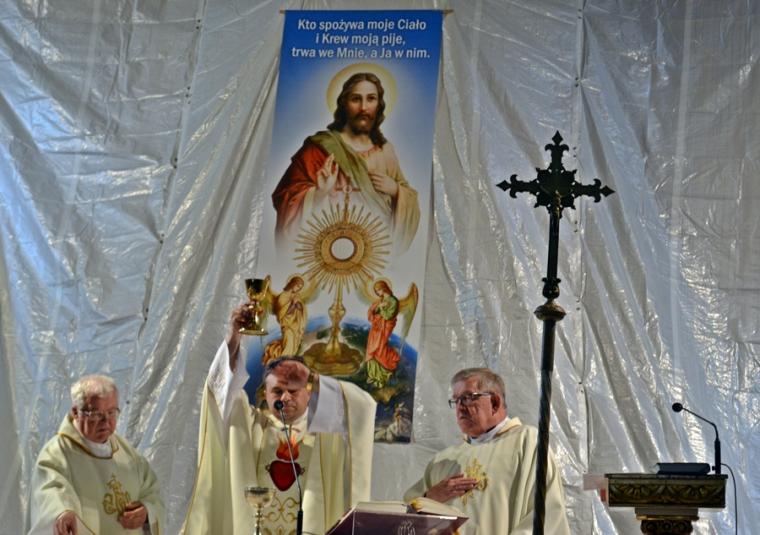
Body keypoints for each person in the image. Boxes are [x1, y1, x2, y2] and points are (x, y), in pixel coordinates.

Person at [182, 303, 377, 535]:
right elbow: (220, 392)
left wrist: (314, 377)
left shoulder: (327, 432)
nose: (285, 398)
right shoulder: (253, 426)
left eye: (293, 390)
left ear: (309, 392)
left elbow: (362, 408)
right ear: (265, 393)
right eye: (277, 391)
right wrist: (233, 338)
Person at [404, 368, 570, 534]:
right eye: (456, 400)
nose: (460, 407)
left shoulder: (528, 442)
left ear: (495, 402)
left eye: (468, 398)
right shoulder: (442, 461)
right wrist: (429, 498)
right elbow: (403, 520)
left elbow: (548, 515)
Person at [272, 72, 420, 253]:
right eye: (356, 99)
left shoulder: (386, 150)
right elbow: (285, 197)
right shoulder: (319, 149)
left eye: (371, 99)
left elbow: (409, 198)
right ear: (344, 104)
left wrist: (396, 191)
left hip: (374, 252)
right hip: (327, 251)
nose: (364, 107)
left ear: (379, 105)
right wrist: (318, 194)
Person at [28, 375, 164, 535]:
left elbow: (152, 491)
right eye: (96, 414)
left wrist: (146, 511)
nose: (106, 422)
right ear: (76, 412)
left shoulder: (126, 451)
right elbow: (50, 491)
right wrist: (62, 512)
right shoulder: (57, 452)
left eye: (111, 412)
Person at [365, 280, 400, 388]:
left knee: (379, 348)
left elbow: (388, 316)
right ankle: (373, 374)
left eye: (378, 290)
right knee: (371, 348)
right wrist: (376, 308)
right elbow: (374, 313)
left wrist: (381, 308)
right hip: (376, 328)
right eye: (376, 291)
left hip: (385, 328)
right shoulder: (381, 300)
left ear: (384, 288)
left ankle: (382, 376)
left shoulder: (393, 301)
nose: (377, 293)